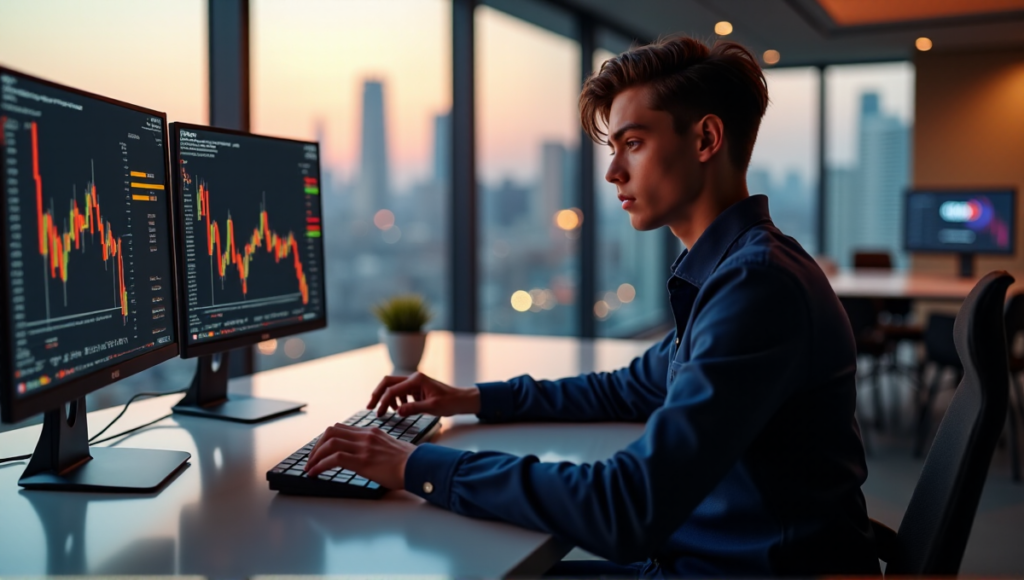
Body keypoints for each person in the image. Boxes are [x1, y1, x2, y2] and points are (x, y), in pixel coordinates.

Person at [305, 36, 879, 577]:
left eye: (634, 143)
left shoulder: (756, 287)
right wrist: (471, 399)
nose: (612, 172)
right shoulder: (735, 271)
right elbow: (627, 389)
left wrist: (413, 467)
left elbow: (626, 506)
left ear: (705, 140)